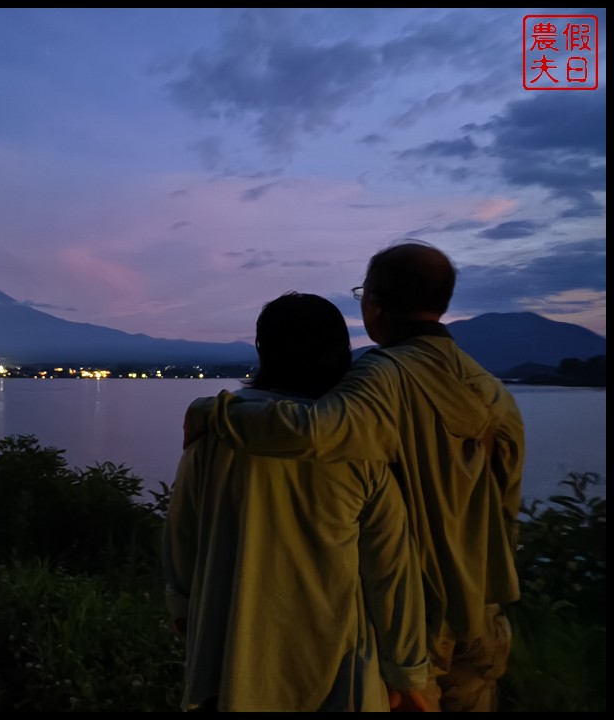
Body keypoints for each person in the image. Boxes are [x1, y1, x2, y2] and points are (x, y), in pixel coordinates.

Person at [184, 241, 524, 712]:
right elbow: (507, 503)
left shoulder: (382, 376)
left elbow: (315, 432)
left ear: (375, 305)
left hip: (425, 619)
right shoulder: (492, 389)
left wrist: (215, 412)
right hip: (481, 609)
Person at [163, 292, 430, 712]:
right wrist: (406, 673)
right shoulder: (357, 448)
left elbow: (182, 534)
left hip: (229, 663)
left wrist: (182, 602)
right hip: (336, 670)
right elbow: (391, 572)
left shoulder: (214, 434)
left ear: (262, 350)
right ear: (340, 353)